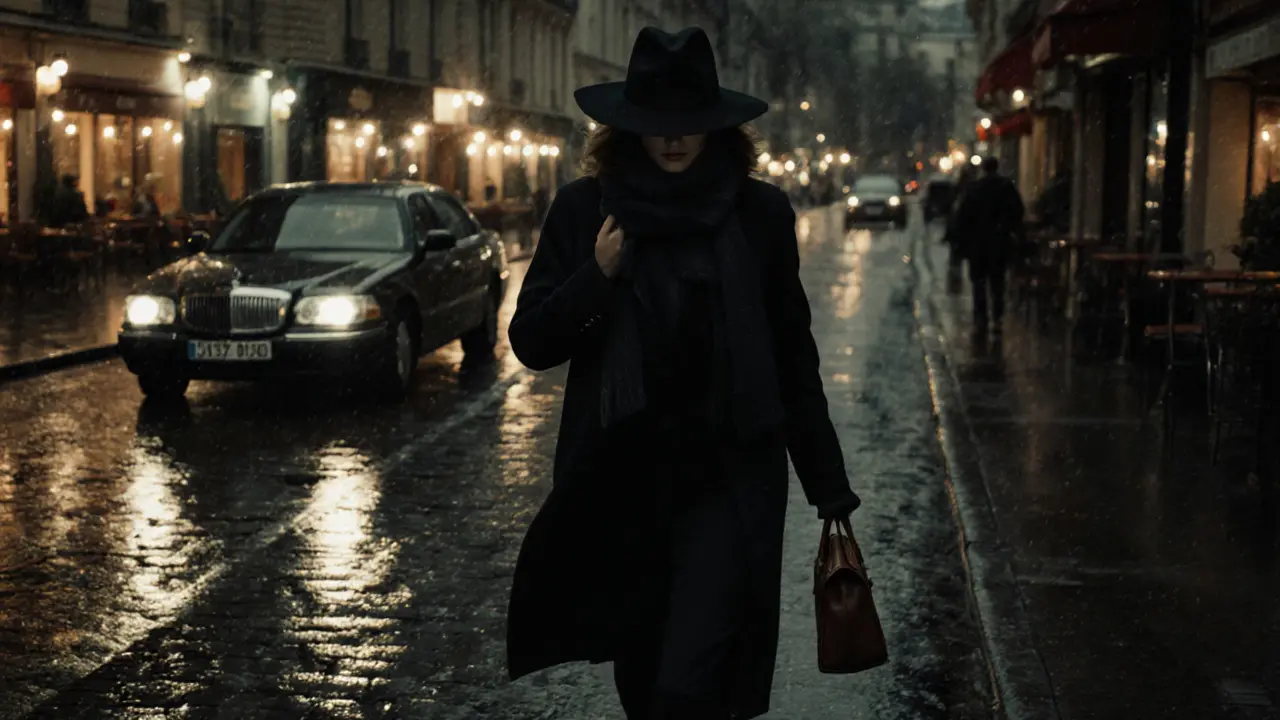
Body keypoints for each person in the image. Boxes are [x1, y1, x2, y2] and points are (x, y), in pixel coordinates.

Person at [505, 27, 861, 719]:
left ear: (716, 125)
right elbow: (531, 342)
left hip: (728, 482)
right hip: (623, 485)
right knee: (644, 679)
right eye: (656, 125)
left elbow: (792, 353)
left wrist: (828, 484)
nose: (673, 140)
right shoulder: (587, 210)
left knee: (688, 681)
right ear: (626, 127)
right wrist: (597, 275)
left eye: (689, 125)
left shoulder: (758, 213)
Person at [953, 156, 1026, 334]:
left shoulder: (974, 189)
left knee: (979, 284)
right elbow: (1018, 211)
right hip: (998, 244)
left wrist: (962, 242)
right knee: (997, 283)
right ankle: (997, 318)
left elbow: (962, 217)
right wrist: (1007, 228)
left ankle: (981, 319)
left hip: (977, 245)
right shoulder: (1005, 187)